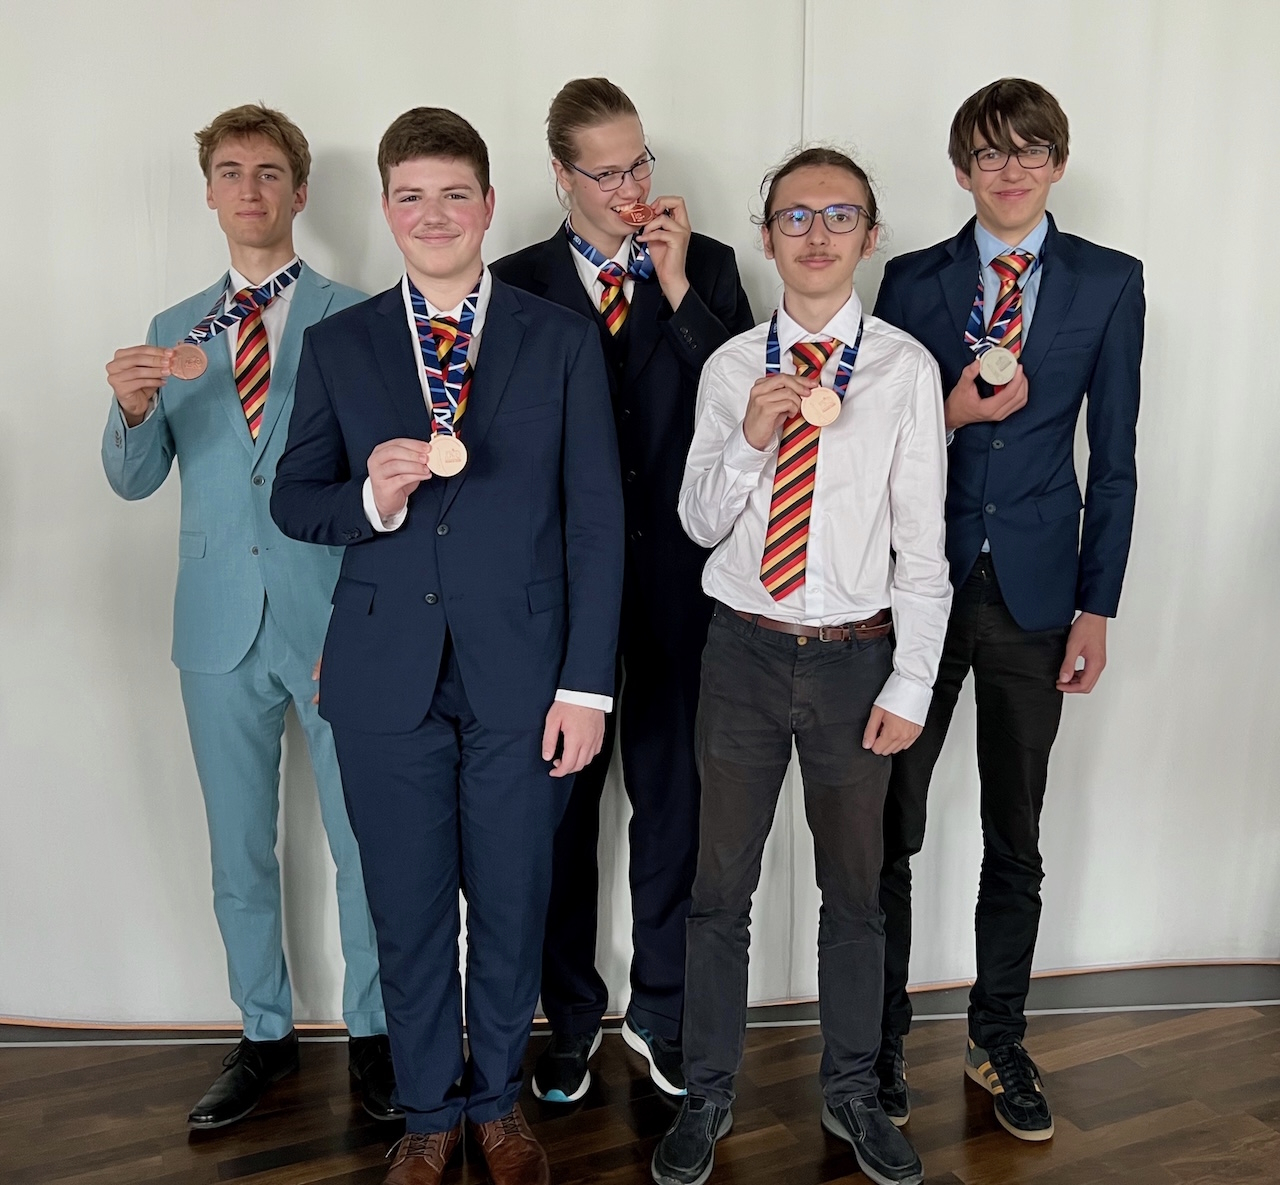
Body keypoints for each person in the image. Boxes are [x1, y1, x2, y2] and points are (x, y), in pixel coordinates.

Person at [270, 107, 624, 1185]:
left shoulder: (559, 337)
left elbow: (595, 521)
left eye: (454, 194)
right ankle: (428, 1114)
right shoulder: (338, 344)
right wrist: (369, 503)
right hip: (384, 679)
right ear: (385, 209)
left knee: (514, 901)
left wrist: (586, 687)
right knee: (408, 906)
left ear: (487, 204)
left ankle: (496, 1106)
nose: (433, 215)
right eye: (411, 196)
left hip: (528, 679)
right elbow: (295, 498)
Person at [652, 148, 950, 1185]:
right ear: (766, 235)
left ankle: (854, 1090)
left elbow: (923, 547)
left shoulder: (904, 370)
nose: (816, 234)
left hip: (854, 662)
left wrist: (911, 681)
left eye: (839, 215)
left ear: (870, 236)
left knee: (855, 892)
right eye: (794, 215)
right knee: (717, 889)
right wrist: (747, 439)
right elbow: (698, 522)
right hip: (739, 651)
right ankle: (706, 1092)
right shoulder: (731, 366)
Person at [101, 104, 395, 1128]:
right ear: (210, 193)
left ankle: (375, 1033)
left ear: (299, 191)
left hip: (338, 618)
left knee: (366, 842)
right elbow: (135, 480)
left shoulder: (361, 317)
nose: (250, 189)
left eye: (269, 172)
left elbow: (384, 477)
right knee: (238, 849)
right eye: (230, 172)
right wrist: (130, 411)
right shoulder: (170, 329)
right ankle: (263, 1035)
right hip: (217, 628)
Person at [873, 78, 1144, 1142]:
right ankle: (879, 1041)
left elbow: (1113, 460)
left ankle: (997, 1037)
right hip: (918, 587)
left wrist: (1096, 606)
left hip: (1037, 596)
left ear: (1057, 163)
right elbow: (875, 440)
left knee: (1014, 833)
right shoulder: (911, 280)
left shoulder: (1108, 282)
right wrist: (948, 415)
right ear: (961, 170)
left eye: (1031, 151)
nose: (1011, 169)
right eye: (990, 153)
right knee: (887, 826)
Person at [491, 76, 754, 1104]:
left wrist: (677, 286)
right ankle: (567, 1016)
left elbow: (745, 408)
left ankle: (662, 1008)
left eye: (638, 162)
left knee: (674, 804)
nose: (627, 187)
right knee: (558, 817)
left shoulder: (710, 267)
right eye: (603, 172)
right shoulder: (511, 283)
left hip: (683, 583)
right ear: (561, 175)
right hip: (557, 596)